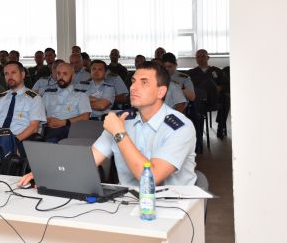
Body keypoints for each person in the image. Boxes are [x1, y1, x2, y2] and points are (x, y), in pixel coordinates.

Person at [20, 61, 197, 188]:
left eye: (144, 83)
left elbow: (150, 179)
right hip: (129, 202)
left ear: (161, 92)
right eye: (133, 81)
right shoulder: (122, 120)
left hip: (172, 206)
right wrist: (47, 173)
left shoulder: (180, 127)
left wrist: (119, 133)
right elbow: (89, 160)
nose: (133, 88)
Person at [0, 61, 46, 152]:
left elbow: (34, 127)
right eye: (6, 74)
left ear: (22, 75)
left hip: (19, 140)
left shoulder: (34, 98)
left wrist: (14, 141)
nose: (10, 76)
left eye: (13, 72)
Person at [187, 49, 228, 146]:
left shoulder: (216, 71)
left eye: (203, 56)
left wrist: (220, 87)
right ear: (196, 59)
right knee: (200, 92)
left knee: (225, 97)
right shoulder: (191, 73)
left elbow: (226, 84)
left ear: (208, 58)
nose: (200, 59)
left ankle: (221, 126)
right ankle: (198, 136)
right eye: (198, 57)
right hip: (199, 101)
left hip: (214, 99)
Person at [42, 63, 91, 143]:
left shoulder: (81, 94)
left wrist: (65, 122)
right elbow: (40, 113)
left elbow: (85, 117)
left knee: (53, 138)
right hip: (47, 127)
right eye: (58, 73)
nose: (61, 77)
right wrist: (46, 120)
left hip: (69, 129)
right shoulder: (48, 93)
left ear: (73, 76)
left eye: (65, 74)